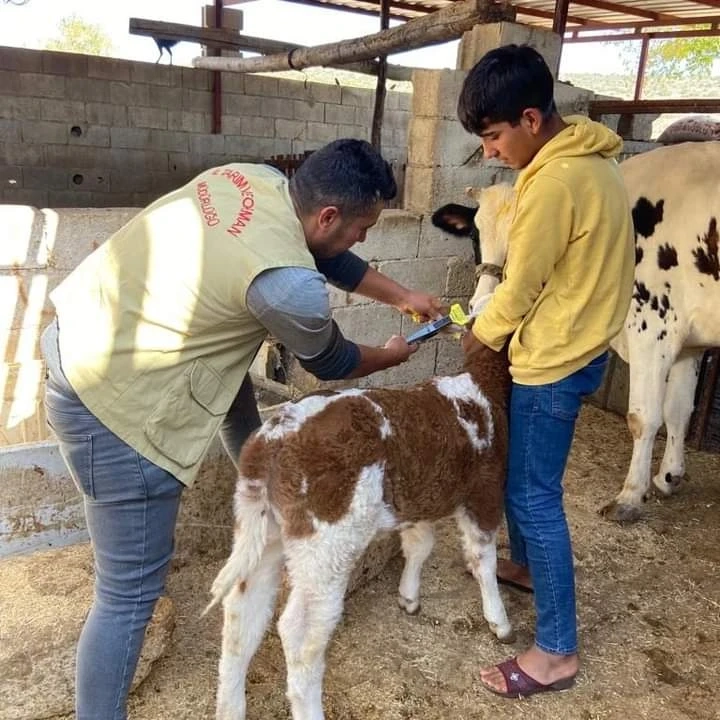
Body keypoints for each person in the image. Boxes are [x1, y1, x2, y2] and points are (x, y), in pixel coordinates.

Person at [41, 138, 442, 720]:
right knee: (127, 595)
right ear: (328, 215)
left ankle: (261, 493)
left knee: (232, 383)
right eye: (363, 228)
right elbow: (332, 363)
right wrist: (390, 354)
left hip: (79, 332)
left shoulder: (250, 180)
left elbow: (326, 254)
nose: (365, 240)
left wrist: (401, 293)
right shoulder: (287, 287)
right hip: (113, 403)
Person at [456, 45, 634, 697]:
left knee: (534, 494)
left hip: (552, 361)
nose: (491, 153)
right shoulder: (592, 162)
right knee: (520, 479)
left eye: (495, 137)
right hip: (579, 345)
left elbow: (521, 285)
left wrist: (478, 336)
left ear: (531, 119)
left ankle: (557, 651)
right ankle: (528, 569)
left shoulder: (555, 182)